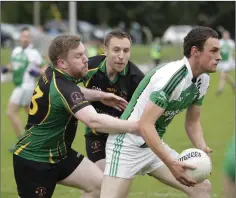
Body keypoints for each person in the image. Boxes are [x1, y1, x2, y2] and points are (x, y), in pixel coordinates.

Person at [101, 26, 221, 198]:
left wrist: (202, 149)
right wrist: (171, 163)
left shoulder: (203, 80)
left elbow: (192, 122)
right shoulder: (172, 78)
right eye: (214, 51)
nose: (219, 57)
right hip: (127, 145)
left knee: (201, 188)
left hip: (152, 145)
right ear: (195, 51)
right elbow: (145, 125)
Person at [13, 35, 139, 198]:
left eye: (84, 53)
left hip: (61, 155)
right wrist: (136, 126)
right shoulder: (63, 87)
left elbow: (72, 93)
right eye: (78, 56)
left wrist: (99, 95)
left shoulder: (54, 73)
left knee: (101, 186)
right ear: (62, 63)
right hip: (35, 160)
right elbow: (94, 121)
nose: (86, 59)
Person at [82, 30, 144, 171]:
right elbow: (65, 88)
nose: (121, 56)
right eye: (116, 50)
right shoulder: (89, 67)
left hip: (122, 136)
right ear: (105, 49)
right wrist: (99, 96)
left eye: (126, 50)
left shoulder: (137, 79)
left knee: (114, 182)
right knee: (100, 179)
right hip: (96, 133)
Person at [1, 27, 46, 152]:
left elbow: (45, 69)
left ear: (30, 38)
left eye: (27, 36)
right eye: (23, 36)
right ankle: (39, 139)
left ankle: (23, 143)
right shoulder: (16, 50)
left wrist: (37, 71)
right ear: (20, 37)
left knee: (11, 112)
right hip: (19, 85)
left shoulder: (34, 53)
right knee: (30, 112)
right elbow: (13, 64)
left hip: (25, 86)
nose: (25, 38)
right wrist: (6, 68)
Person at [216, 30, 236, 95]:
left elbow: (233, 51)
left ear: (228, 35)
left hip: (228, 62)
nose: (225, 36)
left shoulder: (231, 43)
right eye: (224, 35)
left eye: (226, 35)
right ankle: (233, 84)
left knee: (223, 74)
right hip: (221, 61)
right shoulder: (220, 42)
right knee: (225, 75)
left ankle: (220, 89)